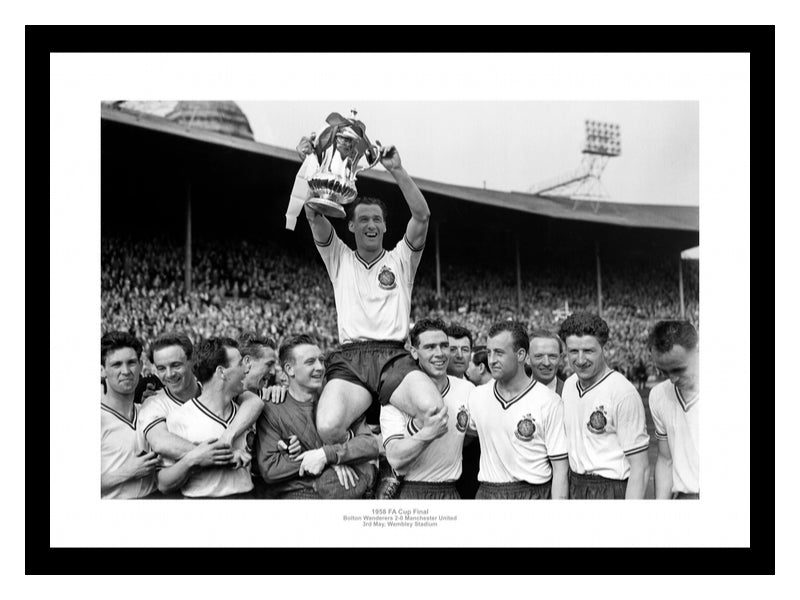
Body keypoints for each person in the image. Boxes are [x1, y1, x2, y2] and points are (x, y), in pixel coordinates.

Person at [295, 132, 445, 447]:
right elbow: (312, 212)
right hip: (350, 358)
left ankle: (393, 457)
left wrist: (397, 170)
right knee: (328, 427)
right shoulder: (338, 256)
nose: (370, 225)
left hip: (394, 357)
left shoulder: (401, 258)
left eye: (376, 219)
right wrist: (312, 163)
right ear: (350, 226)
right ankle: (368, 451)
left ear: (386, 226)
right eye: (362, 219)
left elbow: (423, 215)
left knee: (435, 412)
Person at [255, 334, 379, 499]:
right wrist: (327, 461)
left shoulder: (340, 400)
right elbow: (270, 468)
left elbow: (369, 444)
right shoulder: (272, 408)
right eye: (310, 362)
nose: (320, 367)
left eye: (321, 360)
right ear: (289, 369)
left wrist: (327, 455)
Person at [467, 321, 569, 499]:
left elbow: (561, 469)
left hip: (533, 493)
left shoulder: (549, 401)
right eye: (489, 352)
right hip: (487, 493)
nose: (491, 360)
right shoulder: (477, 396)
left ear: (521, 354)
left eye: (499, 353)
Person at [558, 313, 650, 499]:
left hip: (611, 489)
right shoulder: (568, 385)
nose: (581, 360)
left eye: (589, 351)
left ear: (604, 348)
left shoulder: (622, 392)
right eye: (573, 351)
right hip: (575, 485)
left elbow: (641, 468)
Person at [380, 319, 473, 499]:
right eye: (430, 347)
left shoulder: (466, 390)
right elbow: (395, 459)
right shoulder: (397, 396)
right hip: (411, 491)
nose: (439, 353)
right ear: (414, 352)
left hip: (450, 492)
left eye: (444, 346)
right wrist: (428, 432)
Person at [139, 332, 264, 466]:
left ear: (191, 362)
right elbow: (161, 442)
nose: (169, 374)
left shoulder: (213, 386)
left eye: (176, 365)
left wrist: (228, 437)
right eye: (161, 368)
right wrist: (224, 455)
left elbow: (254, 402)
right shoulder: (153, 403)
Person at [156, 337, 255, 498]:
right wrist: (193, 459)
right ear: (221, 372)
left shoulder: (245, 414)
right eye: (240, 364)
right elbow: (163, 483)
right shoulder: (181, 417)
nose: (246, 369)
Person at [100, 331, 158, 499]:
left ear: (140, 366)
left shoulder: (148, 411)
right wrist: (127, 472)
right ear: (102, 370)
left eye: (131, 363)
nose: (126, 371)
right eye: (116, 364)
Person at [647, 320, 699, 499]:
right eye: (664, 372)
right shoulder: (659, 395)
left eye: (679, 369)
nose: (673, 379)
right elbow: (665, 459)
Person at [528, 329, 566, 396]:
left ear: (560, 358)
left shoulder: (571, 394)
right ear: (527, 358)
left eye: (552, 356)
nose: (546, 363)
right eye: (539, 356)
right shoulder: (513, 394)